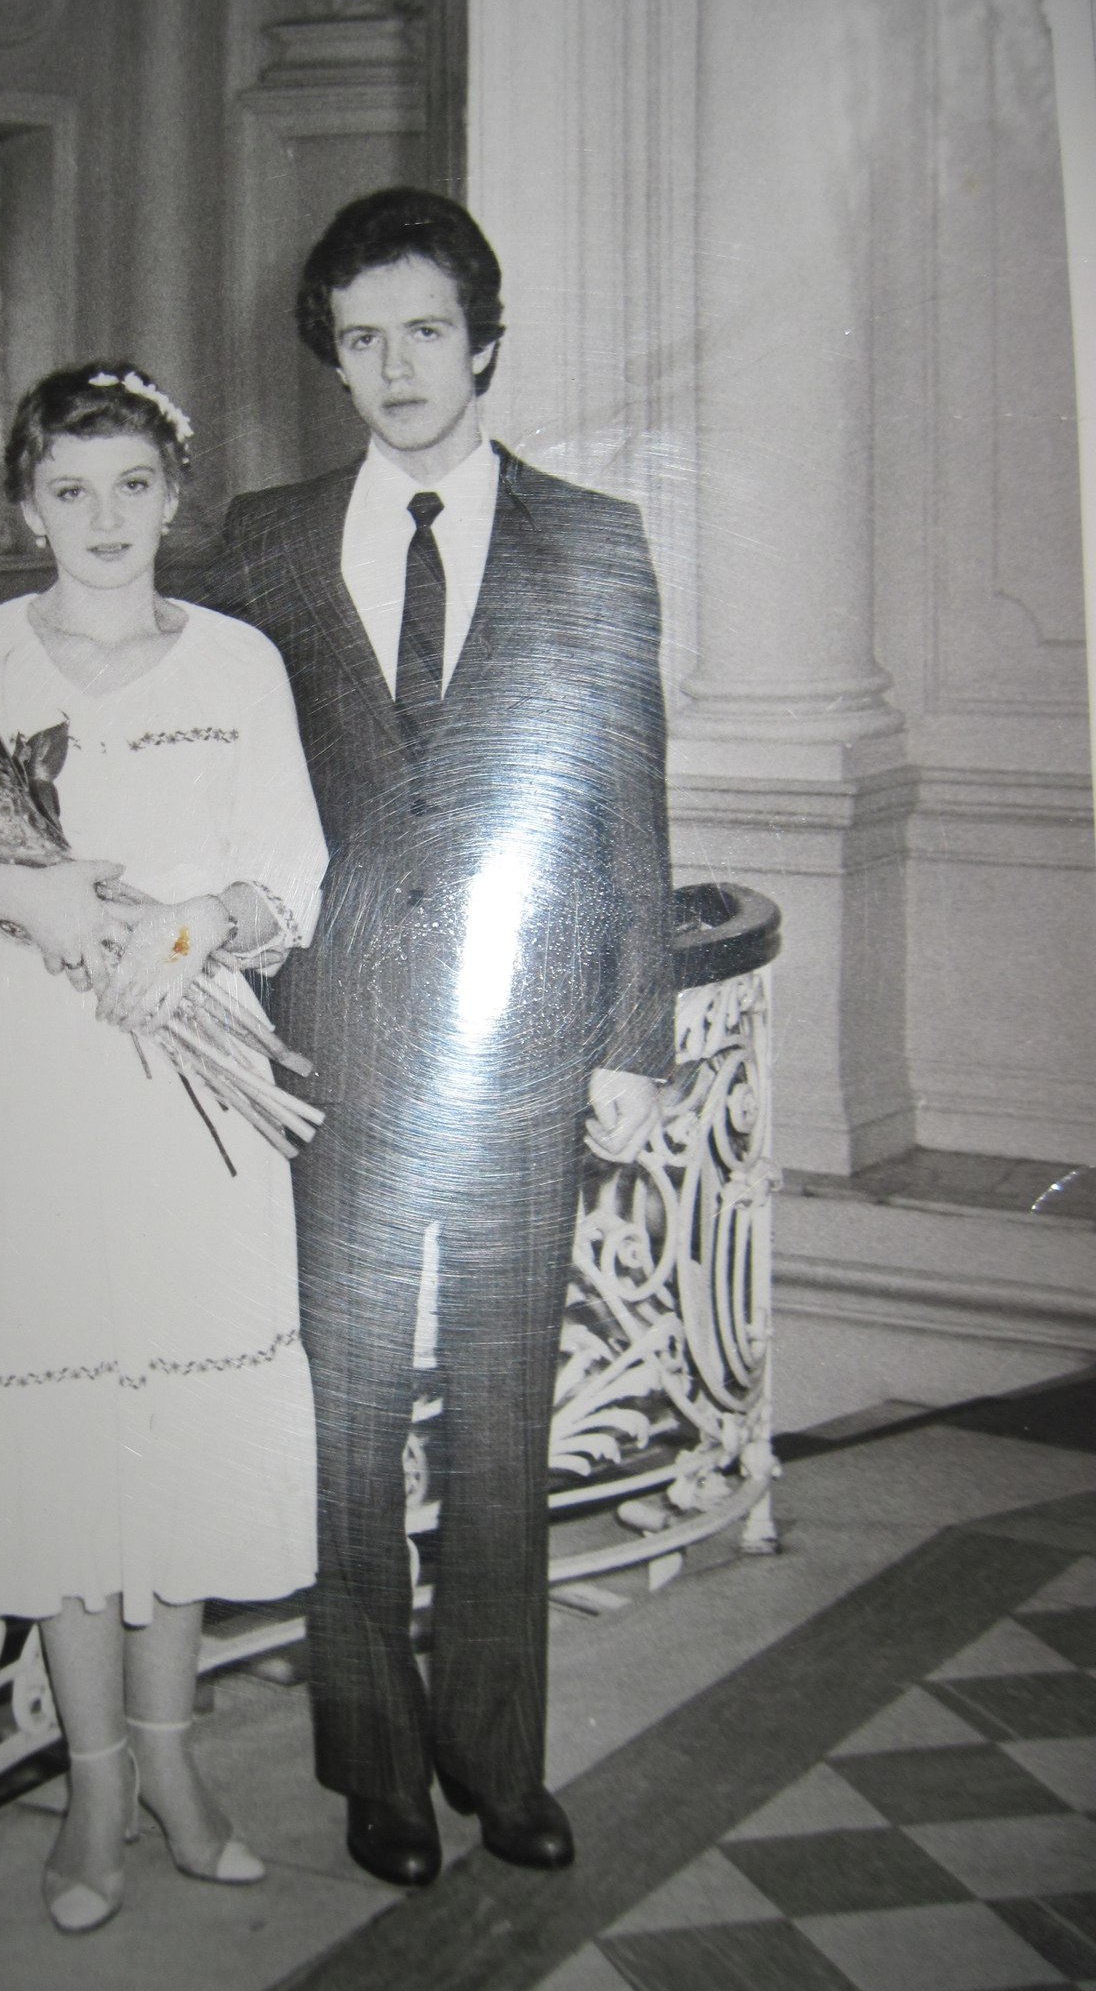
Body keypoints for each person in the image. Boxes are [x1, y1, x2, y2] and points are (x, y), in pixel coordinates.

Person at [192, 189, 676, 1886]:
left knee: (498, 1411)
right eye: (361, 338)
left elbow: (627, 803)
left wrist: (632, 1038)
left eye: (422, 331)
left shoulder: (592, 540)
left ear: (483, 343)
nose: (394, 367)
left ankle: (498, 1758)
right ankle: (379, 1772)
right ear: (331, 359)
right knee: (342, 1418)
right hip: (326, 1047)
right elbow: (211, 782)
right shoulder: (261, 541)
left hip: (525, 1048)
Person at [0, 363, 328, 1935]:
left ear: (174, 496)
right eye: (69, 491)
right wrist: (26, 896)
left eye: (132, 487)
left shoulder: (238, 662)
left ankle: (175, 1763)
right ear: (24, 504)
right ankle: (95, 1783)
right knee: (60, 1425)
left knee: (178, 1418)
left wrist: (202, 922)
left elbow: (291, 877)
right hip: (37, 1079)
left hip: (197, 1085)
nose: (103, 519)